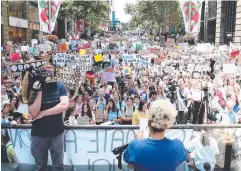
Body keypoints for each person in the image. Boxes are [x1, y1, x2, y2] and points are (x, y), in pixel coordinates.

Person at [124, 100, 187, 171]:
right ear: (168, 125)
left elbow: (131, 166)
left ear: (148, 123)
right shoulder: (178, 146)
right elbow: (177, 163)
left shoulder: (135, 145)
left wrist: (138, 140)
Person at [29, 64, 69, 171]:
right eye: (46, 71)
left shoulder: (59, 85)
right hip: (39, 134)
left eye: (51, 70)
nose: (49, 73)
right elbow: (33, 113)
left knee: (58, 166)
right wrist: (39, 92)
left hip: (57, 133)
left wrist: (43, 113)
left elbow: (64, 105)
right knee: (40, 166)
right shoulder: (32, 87)